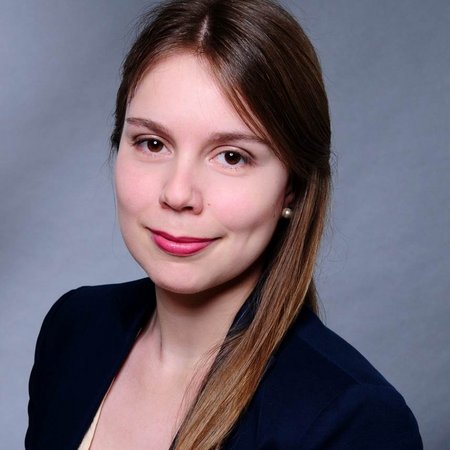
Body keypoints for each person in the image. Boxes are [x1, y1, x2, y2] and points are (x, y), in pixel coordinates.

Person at [25, 0, 423, 449]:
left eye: (232, 156)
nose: (178, 193)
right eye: (152, 143)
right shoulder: (74, 329)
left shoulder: (356, 419)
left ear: (291, 188)